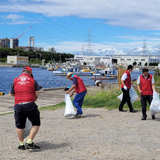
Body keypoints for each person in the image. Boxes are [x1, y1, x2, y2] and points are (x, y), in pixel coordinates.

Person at [11, 66, 41, 150]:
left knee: (19, 125)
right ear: (30, 73)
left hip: (18, 104)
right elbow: (36, 94)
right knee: (36, 123)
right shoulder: (33, 81)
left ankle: (21, 144)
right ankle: (29, 142)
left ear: (22, 72)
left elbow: (12, 94)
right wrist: (32, 100)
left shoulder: (15, 80)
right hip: (29, 103)